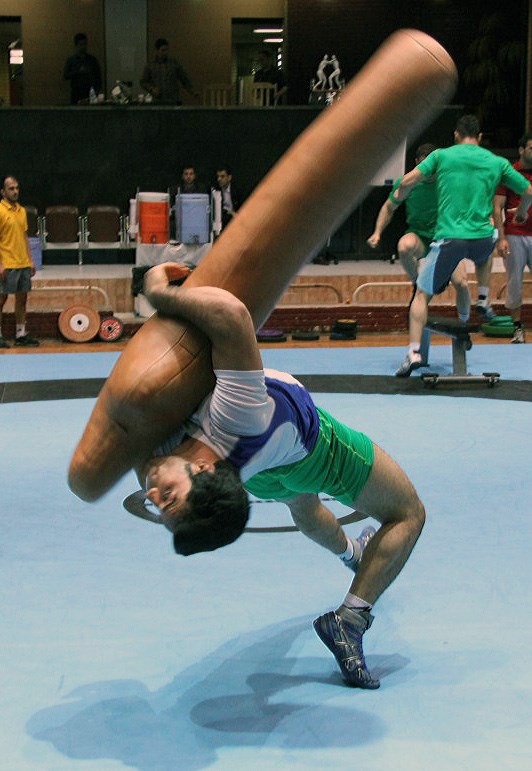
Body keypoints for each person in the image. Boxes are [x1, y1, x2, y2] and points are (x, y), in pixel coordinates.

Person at [136, 262, 426, 690]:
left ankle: (354, 555)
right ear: (203, 470)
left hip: (258, 477)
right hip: (315, 451)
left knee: (302, 503)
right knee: (408, 514)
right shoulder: (236, 416)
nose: (153, 493)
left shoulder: (159, 456)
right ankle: (351, 619)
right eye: (169, 499)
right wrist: (158, 295)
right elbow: (233, 315)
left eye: (161, 503)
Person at [393, 115, 532, 377]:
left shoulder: (441, 156)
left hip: (450, 238)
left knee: (421, 294)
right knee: (487, 246)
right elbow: (529, 191)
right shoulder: (496, 161)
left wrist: (401, 193)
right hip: (481, 238)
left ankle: (413, 352)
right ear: (479, 137)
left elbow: (407, 181)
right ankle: (483, 297)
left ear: (456, 135)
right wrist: (522, 213)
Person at [367, 142, 470, 323]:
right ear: (417, 164)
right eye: (424, 167)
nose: (428, 172)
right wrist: (377, 232)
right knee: (404, 246)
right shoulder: (407, 183)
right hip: (420, 238)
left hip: (445, 240)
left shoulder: (449, 182)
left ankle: (464, 325)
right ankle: (418, 281)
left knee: (461, 283)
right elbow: (388, 208)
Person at [493, 132, 532, 344]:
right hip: (514, 235)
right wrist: (501, 238)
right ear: (521, 150)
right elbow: (497, 206)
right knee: (514, 283)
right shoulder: (510, 174)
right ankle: (517, 328)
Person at [0, 176, 39, 348]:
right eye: (11, 188)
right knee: (1, 300)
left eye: (16, 188)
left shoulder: (22, 211)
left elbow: (24, 236)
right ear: (3, 192)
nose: (15, 191)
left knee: (22, 300)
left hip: (23, 263)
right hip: (7, 263)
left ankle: (20, 334)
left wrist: (30, 260)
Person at [141, 38, 198, 105]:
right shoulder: (150, 65)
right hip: (158, 101)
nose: (165, 52)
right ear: (157, 51)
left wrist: (193, 92)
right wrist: (152, 89)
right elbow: (143, 81)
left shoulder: (173, 63)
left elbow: (184, 79)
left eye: (166, 50)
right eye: (163, 50)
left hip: (173, 100)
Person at [63, 33, 102, 105]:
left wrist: (97, 91)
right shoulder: (71, 60)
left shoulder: (92, 60)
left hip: (89, 93)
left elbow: (98, 76)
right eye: (81, 44)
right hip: (76, 93)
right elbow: (65, 75)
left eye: (85, 44)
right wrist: (77, 72)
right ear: (76, 46)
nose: (83, 47)